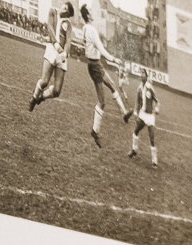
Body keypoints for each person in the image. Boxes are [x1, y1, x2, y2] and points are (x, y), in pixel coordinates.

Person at [78, 4, 133, 147]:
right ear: (88, 16)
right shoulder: (91, 30)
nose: (92, 12)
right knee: (102, 101)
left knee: (113, 86)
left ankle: (124, 113)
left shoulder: (85, 29)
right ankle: (95, 131)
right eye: (90, 11)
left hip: (94, 64)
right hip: (95, 65)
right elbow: (101, 49)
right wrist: (113, 59)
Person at [28, 6, 73, 113]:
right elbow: (50, 28)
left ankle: (41, 97)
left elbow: (68, 40)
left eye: (66, 8)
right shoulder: (53, 11)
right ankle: (34, 97)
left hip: (61, 55)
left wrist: (65, 53)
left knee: (57, 91)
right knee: (44, 82)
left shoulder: (69, 24)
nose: (63, 8)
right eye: (64, 6)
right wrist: (56, 44)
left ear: (68, 13)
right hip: (52, 49)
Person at [128, 69, 159, 165]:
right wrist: (135, 112)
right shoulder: (139, 88)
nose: (141, 75)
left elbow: (157, 101)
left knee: (151, 138)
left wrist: (157, 108)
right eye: (140, 74)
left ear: (146, 76)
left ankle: (154, 160)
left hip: (150, 117)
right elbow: (137, 102)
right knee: (136, 131)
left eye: (143, 74)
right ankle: (134, 149)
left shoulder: (150, 87)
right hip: (142, 114)